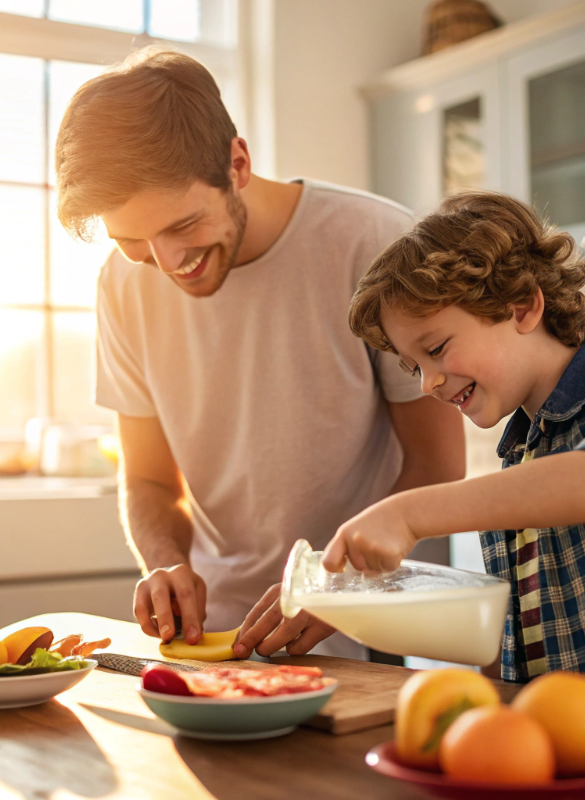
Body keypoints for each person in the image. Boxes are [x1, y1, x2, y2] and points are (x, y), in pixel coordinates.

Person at [53, 47, 466, 659]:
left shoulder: (375, 243)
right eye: (133, 239)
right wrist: (165, 562)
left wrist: (339, 587)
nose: (167, 264)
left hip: (359, 626)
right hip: (217, 636)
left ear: (237, 163)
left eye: (182, 226)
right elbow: (146, 477)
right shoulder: (121, 284)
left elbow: (436, 465)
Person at [327, 190, 585, 722]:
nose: (429, 382)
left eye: (435, 350)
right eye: (414, 367)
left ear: (523, 306)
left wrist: (407, 512)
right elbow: (520, 639)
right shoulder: (520, 459)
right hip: (562, 744)